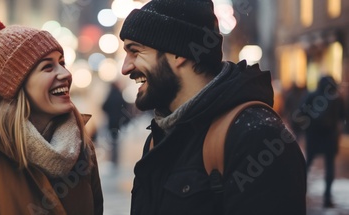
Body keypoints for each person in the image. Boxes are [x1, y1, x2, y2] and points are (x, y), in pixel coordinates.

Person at [118, 0, 306, 214]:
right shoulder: (160, 136)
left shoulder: (257, 138)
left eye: (135, 51)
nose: (125, 68)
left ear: (178, 53)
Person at [0, 19, 103, 215]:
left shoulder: (82, 148)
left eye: (62, 63)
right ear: (16, 85)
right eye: (48, 67)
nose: (66, 73)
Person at [299, 75, 344, 208]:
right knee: (330, 167)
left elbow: (301, 112)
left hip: (313, 136)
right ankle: (327, 198)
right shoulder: (337, 99)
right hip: (330, 138)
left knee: (307, 165)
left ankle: (300, 192)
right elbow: (343, 118)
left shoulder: (312, 95)